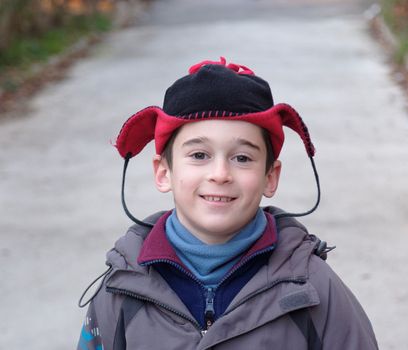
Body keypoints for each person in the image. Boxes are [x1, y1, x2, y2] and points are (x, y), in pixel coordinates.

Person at [77, 57, 378, 350]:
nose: (220, 174)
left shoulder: (313, 288)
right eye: (199, 155)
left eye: (242, 158)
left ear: (270, 177)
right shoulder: (121, 289)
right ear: (163, 172)